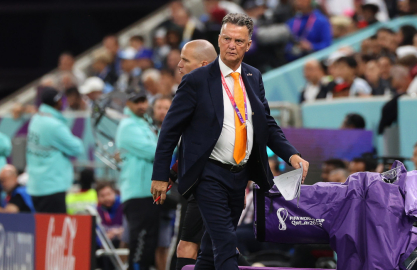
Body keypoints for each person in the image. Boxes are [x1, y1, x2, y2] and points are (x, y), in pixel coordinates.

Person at [151, 13, 309, 270]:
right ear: (219, 40)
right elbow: (169, 130)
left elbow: (266, 124)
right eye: (227, 39)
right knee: (225, 245)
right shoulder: (196, 80)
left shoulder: (253, 76)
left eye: (238, 40)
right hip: (208, 174)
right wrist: (160, 174)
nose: (232, 45)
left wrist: (291, 155)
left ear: (248, 45)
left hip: (240, 176)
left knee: (209, 254)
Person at [174, 40, 218, 270]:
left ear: (203, 65)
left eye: (185, 60)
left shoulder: (210, 97)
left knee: (187, 247)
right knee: (220, 246)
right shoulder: (202, 92)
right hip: (205, 182)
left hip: (207, 183)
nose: (179, 65)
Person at [116, 91, 160, 270]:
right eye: (137, 102)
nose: (141, 105)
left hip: (147, 191)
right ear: (128, 103)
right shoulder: (127, 126)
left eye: (143, 101)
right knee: (140, 241)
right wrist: (177, 144)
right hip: (137, 191)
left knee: (149, 242)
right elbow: (155, 152)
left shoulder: (143, 123)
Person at [26, 88, 84, 213]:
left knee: (42, 229)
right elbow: (77, 148)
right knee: (55, 231)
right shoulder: (53, 125)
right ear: (57, 102)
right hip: (52, 187)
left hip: (36, 185)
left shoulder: (36, 119)